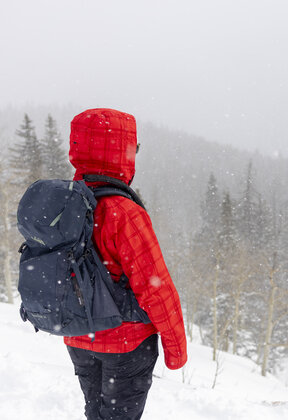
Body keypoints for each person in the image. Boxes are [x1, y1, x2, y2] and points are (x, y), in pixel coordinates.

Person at [64, 108, 187, 420]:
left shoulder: (66, 202)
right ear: (122, 151)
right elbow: (155, 287)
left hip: (78, 336)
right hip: (126, 345)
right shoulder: (123, 212)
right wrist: (176, 351)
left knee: (95, 412)